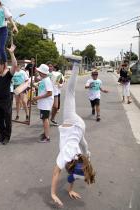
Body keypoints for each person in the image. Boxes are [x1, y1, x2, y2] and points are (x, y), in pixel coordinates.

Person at [51, 60, 95, 208]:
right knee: (70, 93)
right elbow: (56, 174)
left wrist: (70, 190)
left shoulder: (78, 159)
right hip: (72, 123)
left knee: (84, 145)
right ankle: (77, 64)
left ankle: (88, 154)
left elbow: (72, 177)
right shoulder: (65, 157)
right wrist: (53, 194)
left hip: (80, 129)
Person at [33, 64, 53, 143]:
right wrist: (35, 87)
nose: (39, 73)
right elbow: (42, 89)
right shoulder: (43, 80)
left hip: (46, 104)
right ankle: (45, 133)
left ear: (43, 72)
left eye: (39, 71)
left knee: (45, 119)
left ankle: (47, 137)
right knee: (44, 119)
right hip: (43, 103)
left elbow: (49, 93)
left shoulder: (47, 80)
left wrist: (38, 98)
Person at [48, 62, 64, 126]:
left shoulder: (58, 74)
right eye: (48, 66)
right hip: (48, 93)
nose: (50, 67)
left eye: (51, 66)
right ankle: (46, 121)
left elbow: (60, 82)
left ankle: (52, 118)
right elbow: (37, 79)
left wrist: (59, 80)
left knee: (56, 107)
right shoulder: (46, 74)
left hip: (55, 92)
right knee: (47, 108)